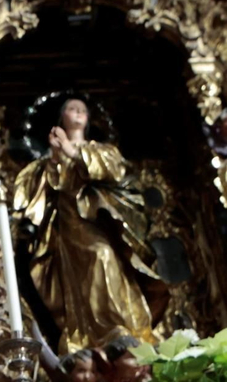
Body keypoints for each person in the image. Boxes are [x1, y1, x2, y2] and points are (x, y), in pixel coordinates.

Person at [12, 96, 161, 357]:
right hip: (68, 223)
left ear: (89, 119)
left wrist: (72, 152)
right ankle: (87, 333)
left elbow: (113, 171)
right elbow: (45, 189)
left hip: (99, 219)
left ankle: (122, 327)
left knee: (104, 256)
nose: (78, 111)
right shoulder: (50, 156)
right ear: (62, 118)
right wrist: (56, 159)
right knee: (79, 276)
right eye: (71, 108)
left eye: (82, 109)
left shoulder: (100, 149)